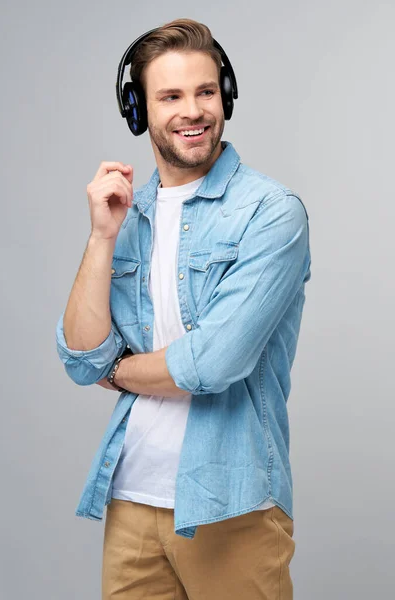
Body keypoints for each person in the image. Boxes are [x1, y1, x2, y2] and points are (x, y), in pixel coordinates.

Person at [55, 17, 311, 600]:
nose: (192, 111)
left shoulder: (271, 213)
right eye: (170, 95)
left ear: (226, 95)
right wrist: (101, 238)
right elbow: (79, 356)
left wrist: (116, 370)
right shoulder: (129, 216)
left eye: (205, 92)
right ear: (138, 109)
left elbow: (210, 364)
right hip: (131, 500)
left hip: (231, 504)